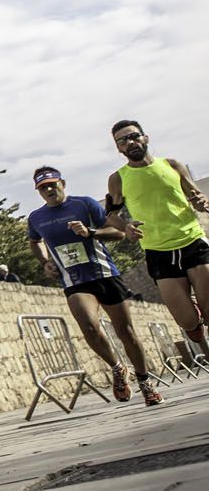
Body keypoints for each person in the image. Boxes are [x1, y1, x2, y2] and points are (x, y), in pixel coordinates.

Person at [26, 166, 161, 405]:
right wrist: (45, 262)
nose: (48, 190)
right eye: (42, 187)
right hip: (74, 280)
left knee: (126, 332)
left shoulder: (84, 204)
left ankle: (145, 382)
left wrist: (90, 233)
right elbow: (34, 241)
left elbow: (117, 233)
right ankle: (118, 368)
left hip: (104, 274)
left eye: (52, 184)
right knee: (88, 326)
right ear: (38, 191)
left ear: (63, 183)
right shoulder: (36, 217)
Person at [104, 120, 209, 364]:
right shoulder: (118, 179)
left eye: (133, 136)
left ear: (145, 138)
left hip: (192, 240)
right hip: (158, 251)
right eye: (122, 141)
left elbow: (194, 194)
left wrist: (200, 202)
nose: (130, 142)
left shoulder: (171, 165)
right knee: (187, 322)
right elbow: (111, 216)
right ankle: (194, 317)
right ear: (118, 149)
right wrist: (126, 227)